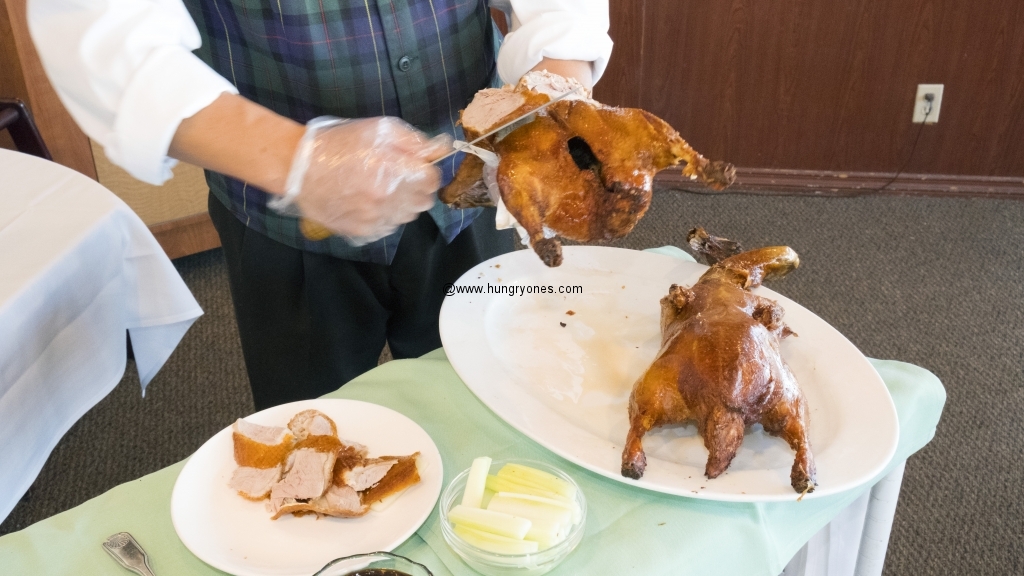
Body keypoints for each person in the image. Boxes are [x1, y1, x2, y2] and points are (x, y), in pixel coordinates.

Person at [28, 0, 614, 409]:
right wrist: (296, 159)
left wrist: (555, 84)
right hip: (281, 217)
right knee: (316, 434)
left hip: (472, 187)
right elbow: (101, 34)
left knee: (491, 398)